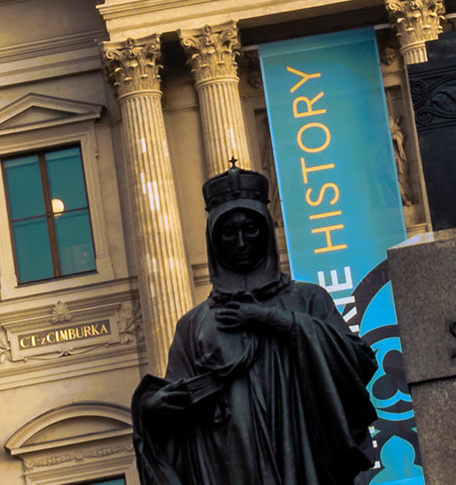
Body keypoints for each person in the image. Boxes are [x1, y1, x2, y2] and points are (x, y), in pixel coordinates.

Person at [132, 167, 384, 485]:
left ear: (265, 231)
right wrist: (153, 409)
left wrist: (273, 320)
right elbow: (176, 397)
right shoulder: (193, 325)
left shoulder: (308, 299)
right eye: (228, 233)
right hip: (227, 464)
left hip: (302, 458)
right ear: (213, 240)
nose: (241, 242)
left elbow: (358, 359)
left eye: (250, 229)